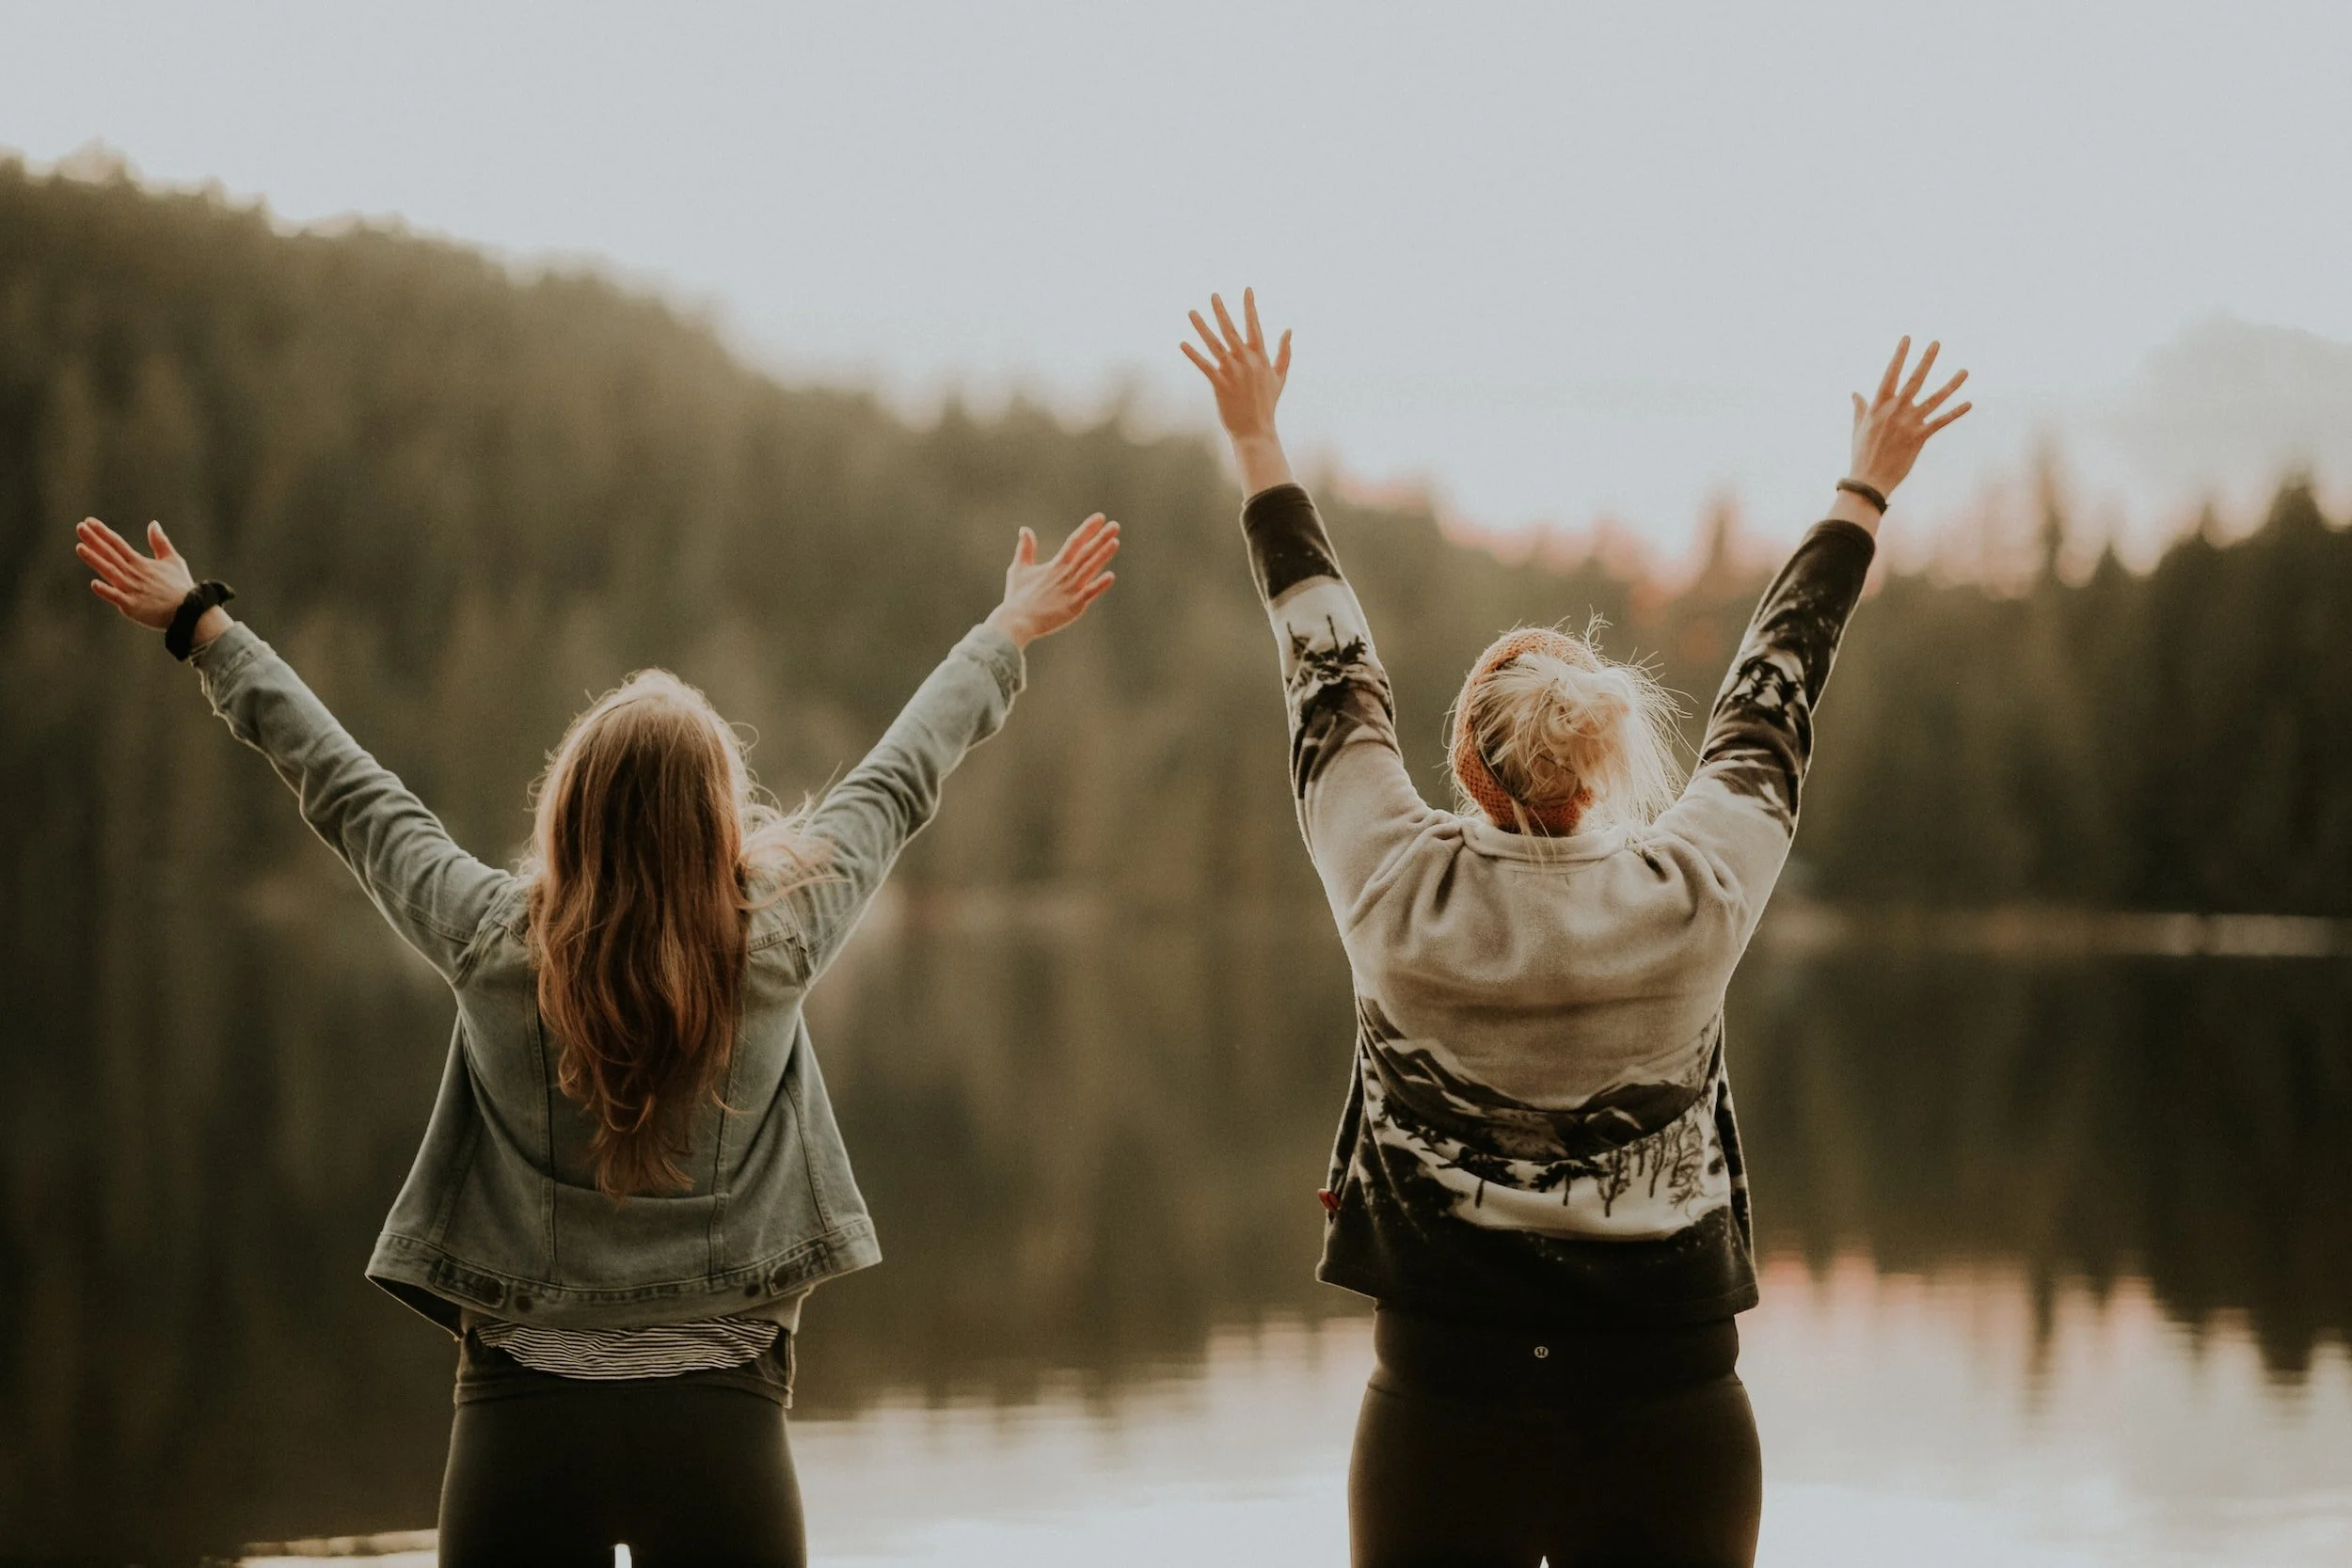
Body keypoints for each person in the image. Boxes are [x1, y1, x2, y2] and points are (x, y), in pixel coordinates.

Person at [73, 509, 1120, 1566]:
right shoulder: (776, 940)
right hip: (723, 1425)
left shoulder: (490, 940)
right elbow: (898, 778)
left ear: (567, 811)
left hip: (522, 1424)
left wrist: (206, 627)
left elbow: (350, 791)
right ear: (719, 818)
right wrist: (1005, 631)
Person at [1184, 291, 1968, 1568]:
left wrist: (1259, 446)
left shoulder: (1393, 884)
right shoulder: (1691, 891)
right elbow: (1776, 692)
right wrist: (1863, 490)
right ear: (1599, 766)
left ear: (1470, 772)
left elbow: (1325, 665)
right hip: (1672, 1407)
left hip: (1444, 1406)